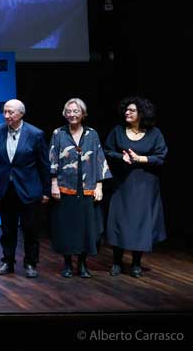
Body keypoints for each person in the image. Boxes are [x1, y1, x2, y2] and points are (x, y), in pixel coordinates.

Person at [104, 96, 168, 278]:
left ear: (142, 113)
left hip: (144, 185)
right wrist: (120, 157)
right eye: (126, 110)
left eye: (132, 110)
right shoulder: (117, 131)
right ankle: (116, 261)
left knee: (139, 223)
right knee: (119, 221)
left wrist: (142, 159)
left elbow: (161, 156)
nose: (127, 112)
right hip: (122, 183)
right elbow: (107, 150)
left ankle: (136, 263)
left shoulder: (154, 133)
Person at [0, 98, 50, 278]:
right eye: (5, 112)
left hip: (29, 190)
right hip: (5, 189)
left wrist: (46, 191)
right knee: (7, 230)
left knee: (30, 229)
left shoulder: (35, 134)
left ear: (21, 114)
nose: (7, 116)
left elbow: (43, 165)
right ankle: (8, 261)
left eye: (11, 112)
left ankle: (30, 263)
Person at [48, 98, 109, 278]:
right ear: (65, 114)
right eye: (69, 111)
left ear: (83, 114)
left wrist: (99, 185)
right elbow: (52, 159)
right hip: (64, 186)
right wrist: (53, 184)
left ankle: (82, 264)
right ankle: (67, 264)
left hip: (87, 187)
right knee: (66, 227)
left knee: (85, 227)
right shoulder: (58, 133)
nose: (72, 114)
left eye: (76, 111)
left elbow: (99, 160)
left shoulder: (92, 134)